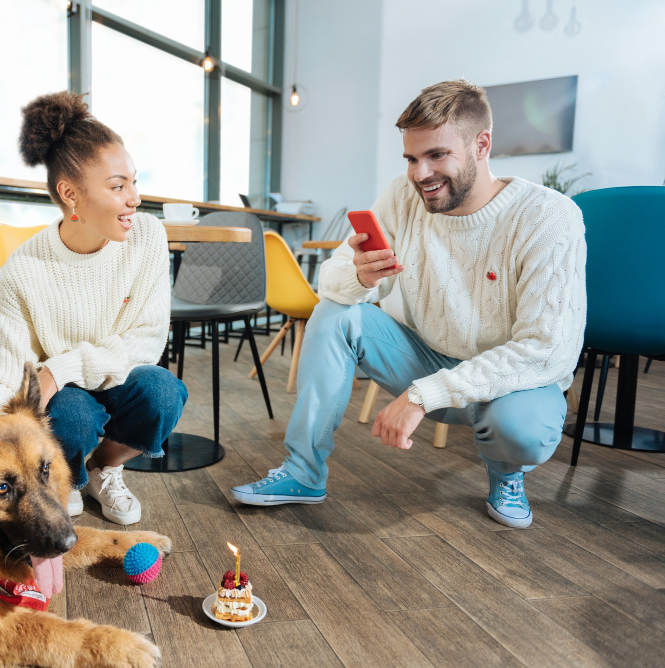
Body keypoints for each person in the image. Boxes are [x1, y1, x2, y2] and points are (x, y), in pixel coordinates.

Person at [231, 79, 586, 528]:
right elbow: (331, 283)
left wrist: (424, 397)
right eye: (412, 158)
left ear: (482, 145)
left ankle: (506, 475)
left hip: (512, 385)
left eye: (437, 155)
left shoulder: (547, 216)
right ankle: (303, 472)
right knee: (334, 314)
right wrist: (359, 276)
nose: (421, 174)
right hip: (427, 356)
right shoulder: (404, 196)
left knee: (520, 430)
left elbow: (547, 349)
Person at [0, 91, 187, 526]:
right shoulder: (25, 268)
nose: (135, 199)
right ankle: (69, 479)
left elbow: (147, 339)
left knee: (162, 393)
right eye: (118, 186)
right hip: (64, 399)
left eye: (134, 182)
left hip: (117, 375)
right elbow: (7, 363)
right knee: (69, 416)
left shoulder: (148, 237)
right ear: (71, 195)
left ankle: (105, 468)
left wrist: (58, 369)